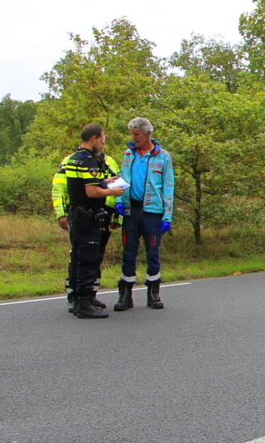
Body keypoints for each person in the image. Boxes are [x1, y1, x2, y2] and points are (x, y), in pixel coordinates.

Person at [64, 124, 125, 319]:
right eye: (102, 140)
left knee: (80, 257)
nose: (102, 144)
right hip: (87, 216)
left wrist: (104, 181)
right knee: (88, 259)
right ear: (93, 138)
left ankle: (84, 298)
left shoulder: (74, 158)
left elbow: (80, 185)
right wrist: (111, 191)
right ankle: (83, 302)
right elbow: (90, 192)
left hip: (77, 214)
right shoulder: (89, 161)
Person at [114, 117, 174, 311]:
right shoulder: (128, 154)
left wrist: (167, 216)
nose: (134, 138)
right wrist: (118, 201)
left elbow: (168, 186)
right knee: (128, 251)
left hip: (153, 212)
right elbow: (122, 179)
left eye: (137, 134)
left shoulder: (163, 156)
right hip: (131, 210)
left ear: (148, 133)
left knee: (152, 252)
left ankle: (153, 293)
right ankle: (125, 295)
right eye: (132, 134)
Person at [53, 148, 122, 313]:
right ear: (94, 139)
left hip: (104, 214)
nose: (103, 144)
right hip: (82, 213)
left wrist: (117, 216)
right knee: (80, 255)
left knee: (95, 257)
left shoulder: (109, 161)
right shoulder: (73, 160)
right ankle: (75, 296)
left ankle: (90, 294)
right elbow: (59, 187)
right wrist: (61, 214)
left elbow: (119, 187)